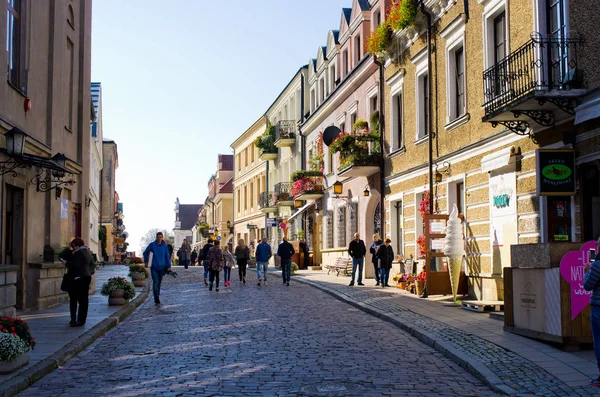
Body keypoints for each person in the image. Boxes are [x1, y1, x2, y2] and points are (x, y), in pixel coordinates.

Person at [62, 238, 92, 327]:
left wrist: (66, 263)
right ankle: (81, 319)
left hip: (79, 278)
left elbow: (75, 265)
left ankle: (76, 320)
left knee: (75, 300)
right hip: (86, 276)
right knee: (84, 300)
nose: (73, 248)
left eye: (73, 246)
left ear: (77, 246)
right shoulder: (87, 251)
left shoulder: (79, 253)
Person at [584, 237, 600, 387]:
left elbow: (588, 285)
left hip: (598, 308)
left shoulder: (598, 265)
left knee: (599, 342)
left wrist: (588, 271)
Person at [143, 232, 172, 304]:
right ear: (156, 237)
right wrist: (146, 261)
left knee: (159, 283)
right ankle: (156, 297)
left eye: (160, 237)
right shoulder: (152, 245)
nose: (159, 238)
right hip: (154, 267)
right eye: (158, 237)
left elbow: (167, 256)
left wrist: (169, 266)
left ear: (162, 238)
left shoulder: (164, 246)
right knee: (155, 282)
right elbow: (145, 252)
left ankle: (157, 295)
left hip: (162, 268)